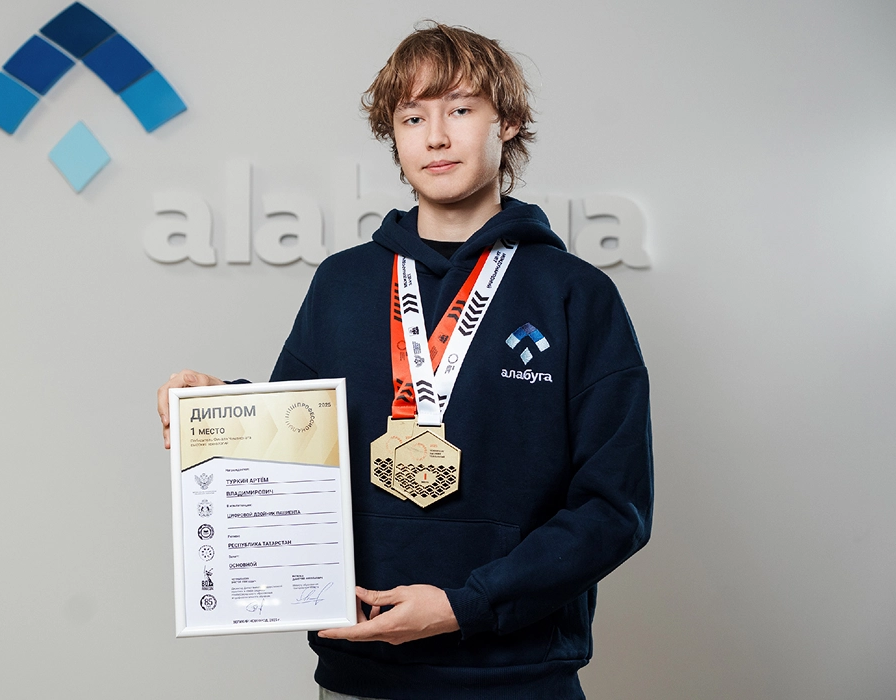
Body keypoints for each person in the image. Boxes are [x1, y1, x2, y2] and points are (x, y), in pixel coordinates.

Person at [157, 22, 653, 700]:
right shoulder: (342, 283)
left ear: (506, 122)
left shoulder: (575, 295)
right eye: (413, 117)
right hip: (360, 676)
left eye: (460, 110)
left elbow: (614, 507)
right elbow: (298, 447)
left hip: (517, 678)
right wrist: (216, 408)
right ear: (394, 136)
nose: (436, 137)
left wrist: (466, 605)